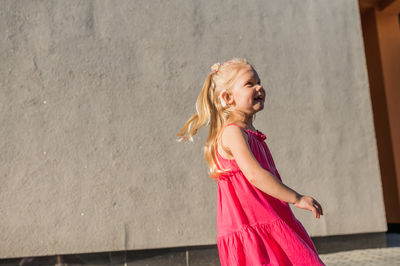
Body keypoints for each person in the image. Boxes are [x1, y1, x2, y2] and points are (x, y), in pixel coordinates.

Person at [177, 58, 325, 265]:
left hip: (270, 219)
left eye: (259, 82)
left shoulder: (251, 134)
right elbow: (255, 175)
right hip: (253, 226)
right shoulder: (232, 133)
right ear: (228, 97)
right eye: (250, 83)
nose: (259, 87)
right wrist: (296, 198)